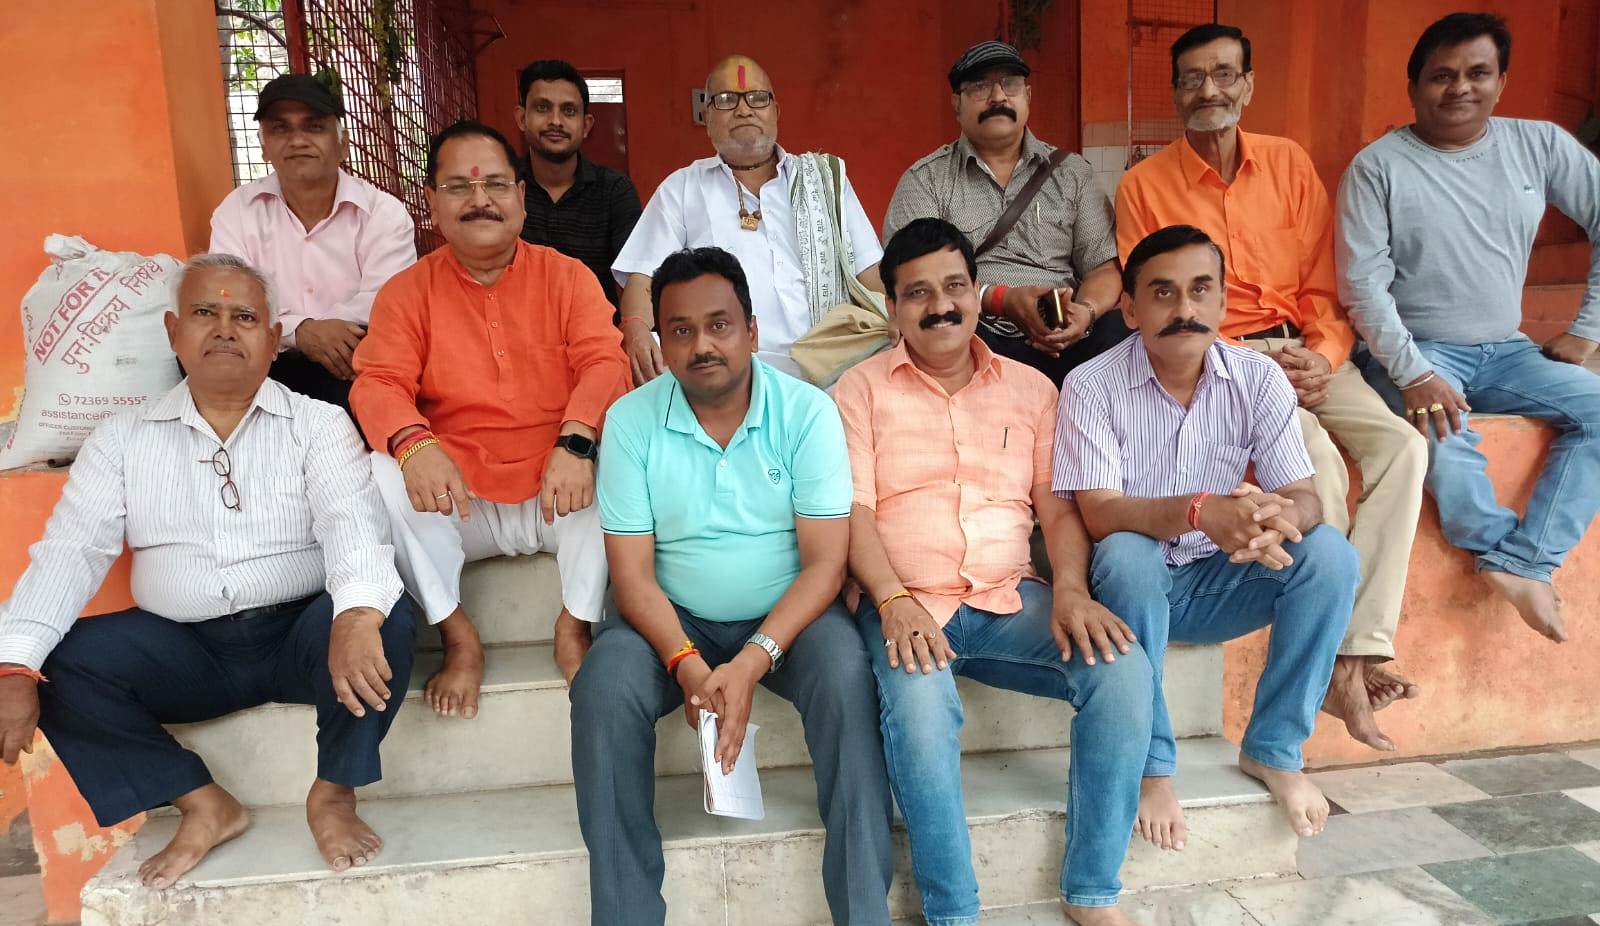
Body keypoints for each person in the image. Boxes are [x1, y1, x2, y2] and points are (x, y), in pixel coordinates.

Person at [0, 254, 414, 889]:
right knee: (54, 664)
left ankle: (334, 792)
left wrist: (356, 613)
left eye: (244, 317)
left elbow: (352, 524)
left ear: (274, 340)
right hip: (185, 649)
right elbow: (69, 552)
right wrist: (14, 664)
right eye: (204, 313)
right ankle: (202, 802)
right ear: (173, 332)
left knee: (383, 617)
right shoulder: (120, 439)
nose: (224, 329)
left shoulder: (319, 424)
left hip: (302, 639)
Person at [1115, 23, 1426, 752]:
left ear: (1248, 85)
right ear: (1174, 93)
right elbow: (1160, 305)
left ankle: (1357, 647)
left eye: (1224, 74)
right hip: (1222, 360)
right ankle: (1336, 663)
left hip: (1308, 350)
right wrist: (1245, 364)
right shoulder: (1143, 186)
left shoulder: (1288, 163)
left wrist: (1323, 353)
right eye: (1192, 78)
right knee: (1316, 468)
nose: (1209, 90)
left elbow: (1323, 281)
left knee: (1405, 449)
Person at [836, 218, 1152, 926]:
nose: (940, 305)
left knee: (1122, 670)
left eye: (954, 286)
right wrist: (890, 599)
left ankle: (1092, 890)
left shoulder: (1033, 390)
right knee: (922, 715)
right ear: (893, 308)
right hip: (907, 605)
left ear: (978, 293)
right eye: (918, 293)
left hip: (1009, 598)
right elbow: (853, 514)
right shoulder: (857, 392)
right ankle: (954, 914)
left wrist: (1071, 589)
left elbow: (1057, 510)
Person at [571, 247, 893, 926]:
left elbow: (825, 565)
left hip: (790, 618)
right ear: (661, 343)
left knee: (848, 678)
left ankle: (863, 912)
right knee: (603, 687)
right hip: (672, 617)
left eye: (719, 325)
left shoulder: (806, 412)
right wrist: (687, 664)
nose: (702, 346)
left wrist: (750, 663)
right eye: (681, 330)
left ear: (751, 330)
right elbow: (632, 577)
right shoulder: (630, 421)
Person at [1058, 225, 1359, 854]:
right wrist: (1200, 512)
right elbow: (1099, 514)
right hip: (1130, 592)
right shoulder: (1090, 384)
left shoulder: (1258, 378)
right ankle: (1150, 766)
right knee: (1127, 554)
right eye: (1162, 293)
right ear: (1130, 308)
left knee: (1329, 554)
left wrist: (1275, 517)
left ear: (1223, 301)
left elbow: (1305, 496)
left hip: (1221, 581)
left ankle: (1274, 749)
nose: (1184, 309)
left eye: (1200, 290)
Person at [350, 120, 630, 718]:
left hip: (560, 491)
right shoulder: (406, 292)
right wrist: (413, 443)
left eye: (496, 185)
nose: (480, 200)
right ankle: (457, 635)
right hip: (460, 499)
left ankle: (575, 622)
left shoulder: (567, 277)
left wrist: (578, 441)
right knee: (381, 473)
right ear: (432, 203)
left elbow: (606, 362)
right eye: (459, 187)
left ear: (521, 198)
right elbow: (377, 382)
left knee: (627, 456)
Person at [1337, 12, 1600, 645]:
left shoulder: (1539, 146)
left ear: (1501, 81)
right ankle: (1502, 552)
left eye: (1478, 73)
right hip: (1415, 350)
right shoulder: (1378, 167)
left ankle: (1525, 561)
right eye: (1441, 76)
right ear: (1413, 87)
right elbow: (1362, 287)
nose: (1460, 88)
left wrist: (1588, 328)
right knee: (1446, 446)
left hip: (1508, 350)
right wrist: (1414, 374)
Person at [611, 55, 885, 383]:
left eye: (757, 98)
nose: (744, 109)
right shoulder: (682, 188)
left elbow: (870, 274)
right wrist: (637, 330)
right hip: (724, 378)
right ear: (707, 116)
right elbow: (643, 279)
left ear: (775, 111)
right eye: (727, 99)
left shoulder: (825, 180)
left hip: (831, 373)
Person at [885, 40, 1127, 386]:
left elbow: (1104, 267)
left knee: (1122, 329)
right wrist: (1002, 300)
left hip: (1065, 337)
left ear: (1027, 96)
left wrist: (1083, 313)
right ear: (957, 104)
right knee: (939, 329)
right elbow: (913, 276)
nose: (998, 96)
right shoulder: (927, 181)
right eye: (980, 86)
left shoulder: (1073, 173)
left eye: (1010, 84)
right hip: (975, 334)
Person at [209, 73, 417, 411]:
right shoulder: (237, 210)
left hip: (349, 362)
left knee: (381, 360)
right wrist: (301, 331)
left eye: (314, 127)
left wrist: (326, 334)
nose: (297, 140)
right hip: (267, 365)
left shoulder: (383, 213)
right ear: (264, 147)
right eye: (281, 129)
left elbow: (389, 300)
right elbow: (227, 294)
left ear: (343, 144)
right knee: (203, 350)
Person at [515, 58, 643, 308]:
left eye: (569, 110)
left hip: (595, 326)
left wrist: (635, 322)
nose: (555, 121)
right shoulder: (501, 187)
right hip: (514, 326)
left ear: (586, 125)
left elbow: (638, 276)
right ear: (521, 118)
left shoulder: (614, 190)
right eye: (542, 108)